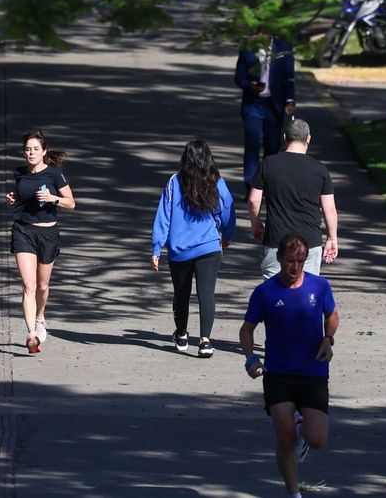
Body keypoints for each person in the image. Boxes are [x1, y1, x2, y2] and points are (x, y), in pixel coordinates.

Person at [240, 233, 340, 497]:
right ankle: (294, 493)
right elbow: (247, 329)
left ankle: (302, 428)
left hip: (313, 372)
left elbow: (332, 315)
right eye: (289, 261)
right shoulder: (265, 292)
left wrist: (328, 339)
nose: (295, 267)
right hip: (279, 373)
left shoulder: (319, 287)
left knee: (317, 439)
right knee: (284, 439)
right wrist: (251, 358)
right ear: (279, 259)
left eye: (300, 261)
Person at [150, 138, 236, 358]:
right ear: (208, 158)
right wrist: (227, 234)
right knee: (206, 293)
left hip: (180, 250)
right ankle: (205, 342)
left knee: (182, 293)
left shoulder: (174, 182)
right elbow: (227, 208)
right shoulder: (216, 181)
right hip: (208, 247)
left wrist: (157, 247)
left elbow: (164, 215)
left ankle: (181, 335)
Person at [6, 131, 75, 353]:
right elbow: (21, 196)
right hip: (23, 231)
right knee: (29, 285)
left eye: (35, 149)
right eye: (27, 149)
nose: (31, 153)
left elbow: (71, 203)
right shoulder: (20, 174)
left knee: (42, 285)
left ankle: (40, 316)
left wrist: (53, 198)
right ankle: (31, 334)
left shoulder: (54, 174)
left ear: (44, 151)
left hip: (48, 234)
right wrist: (13, 198)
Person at [250, 118, 339, 278]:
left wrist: (257, 224)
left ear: (284, 137)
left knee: (273, 293)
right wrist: (332, 238)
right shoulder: (320, 169)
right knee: (306, 293)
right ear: (308, 139)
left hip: (276, 240)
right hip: (309, 242)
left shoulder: (268, 164)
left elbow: (253, 200)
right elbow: (329, 208)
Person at [235, 34, 296, 189]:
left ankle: (268, 185)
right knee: (252, 144)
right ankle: (250, 186)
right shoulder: (248, 48)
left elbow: (289, 76)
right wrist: (250, 86)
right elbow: (239, 77)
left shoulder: (284, 48)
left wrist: (289, 100)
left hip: (274, 104)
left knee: (272, 145)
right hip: (253, 103)